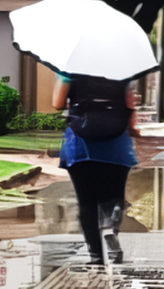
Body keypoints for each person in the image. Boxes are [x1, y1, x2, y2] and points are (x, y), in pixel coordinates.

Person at [53, 75, 138, 265]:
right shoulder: (123, 70)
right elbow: (130, 104)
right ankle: (111, 223)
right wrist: (132, 129)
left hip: (80, 140)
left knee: (87, 201)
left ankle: (96, 256)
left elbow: (57, 103)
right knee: (114, 194)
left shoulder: (69, 70)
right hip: (116, 142)